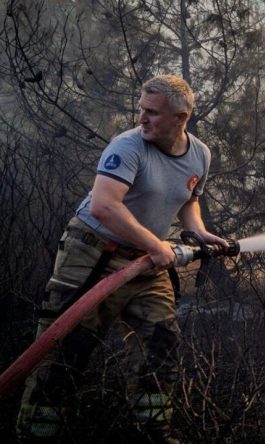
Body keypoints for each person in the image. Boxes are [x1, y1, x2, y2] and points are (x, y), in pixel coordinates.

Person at [16, 75, 227, 444]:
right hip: (93, 255)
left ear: (181, 118)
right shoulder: (128, 146)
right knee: (66, 348)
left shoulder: (200, 154)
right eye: (141, 109)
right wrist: (157, 247)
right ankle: (37, 434)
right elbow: (104, 206)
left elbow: (188, 199)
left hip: (146, 263)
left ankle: (153, 432)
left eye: (153, 112)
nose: (142, 118)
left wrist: (198, 231)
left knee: (160, 344)